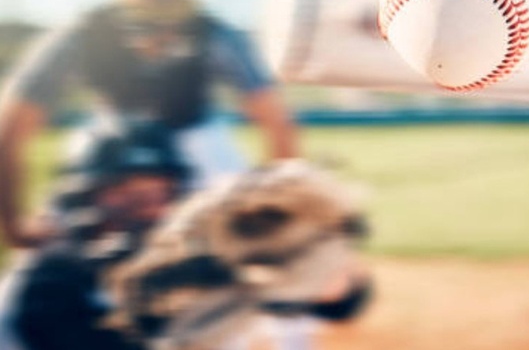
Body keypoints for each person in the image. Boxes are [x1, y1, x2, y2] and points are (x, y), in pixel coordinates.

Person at [0, 0, 299, 250]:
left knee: (241, 242)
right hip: (109, 139)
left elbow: (275, 120)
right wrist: (14, 224)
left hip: (196, 136)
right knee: (63, 240)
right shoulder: (86, 32)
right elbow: (13, 123)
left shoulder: (214, 34)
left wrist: (272, 212)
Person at [2, 123, 369, 350]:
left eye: (159, 193)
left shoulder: (189, 258)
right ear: (85, 195)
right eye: (124, 192)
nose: (147, 208)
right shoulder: (47, 281)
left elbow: (342, 300)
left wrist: (332, 273)